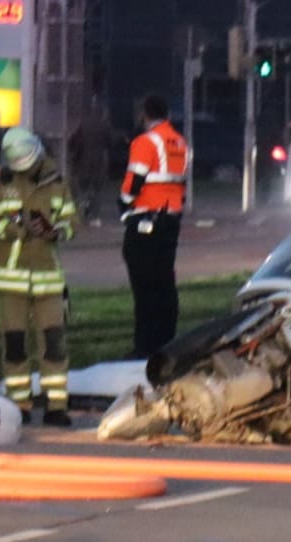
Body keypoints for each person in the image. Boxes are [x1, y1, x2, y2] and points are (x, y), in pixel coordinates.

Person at [0, 127, 78, 425]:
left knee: (54, 343)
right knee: (14, 344)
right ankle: (19, 403)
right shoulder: (1, 182)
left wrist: (56, 231)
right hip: (11, 281)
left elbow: (71, 221)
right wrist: (16, 229)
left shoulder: (56, 182)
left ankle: (56, 405)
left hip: (47, 279)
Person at [119, 94, 188, 359]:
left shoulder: (145, 142)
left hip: (146, 220)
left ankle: (145, 345)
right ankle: (165, 340)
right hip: (170, 219)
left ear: (144, 114)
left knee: (144, 284)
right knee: (165, 282)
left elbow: (133, 182)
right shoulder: (180, 142)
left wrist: (123, 204)